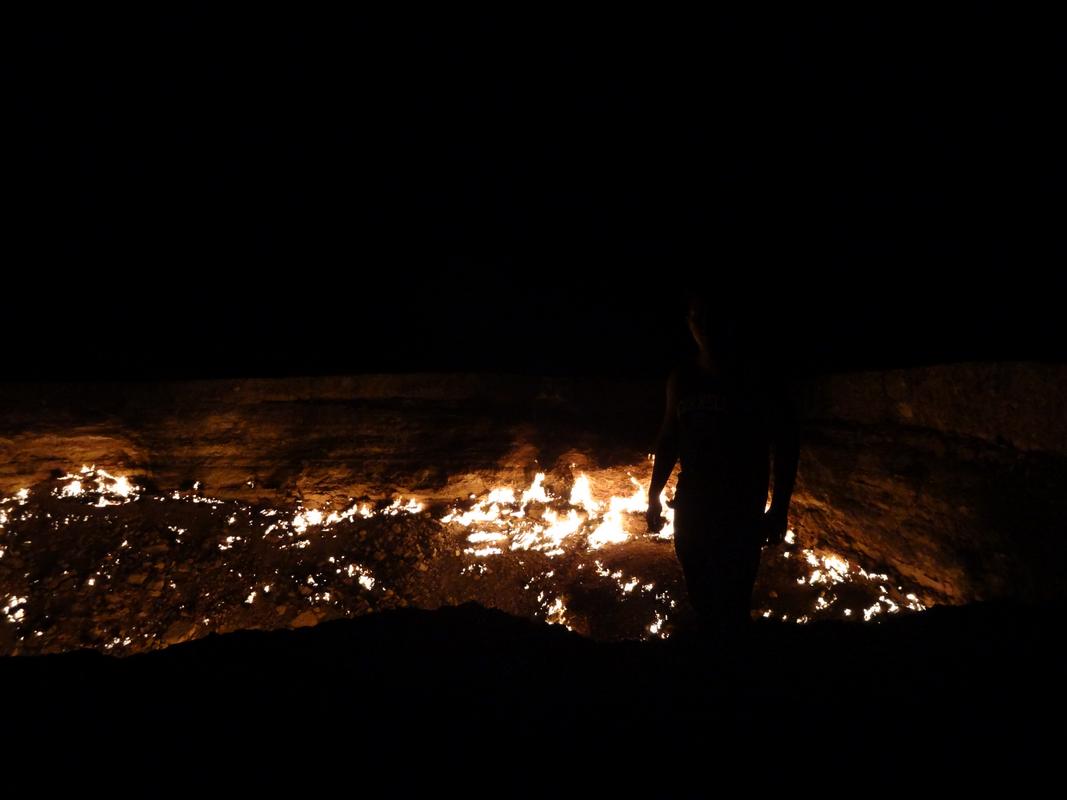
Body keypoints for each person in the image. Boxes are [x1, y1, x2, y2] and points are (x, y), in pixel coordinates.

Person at [646, 293, 799, 643]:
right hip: (692, 501)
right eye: (695, 316)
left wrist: (779, 507)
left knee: (734, 592)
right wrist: (654, 495)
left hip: (741, 503)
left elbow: (787, 443)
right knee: (698, 582)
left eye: (710, 315)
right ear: (688, 323)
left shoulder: (757, 377)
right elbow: (669, 438)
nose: (703, 324)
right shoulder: (682, 378)